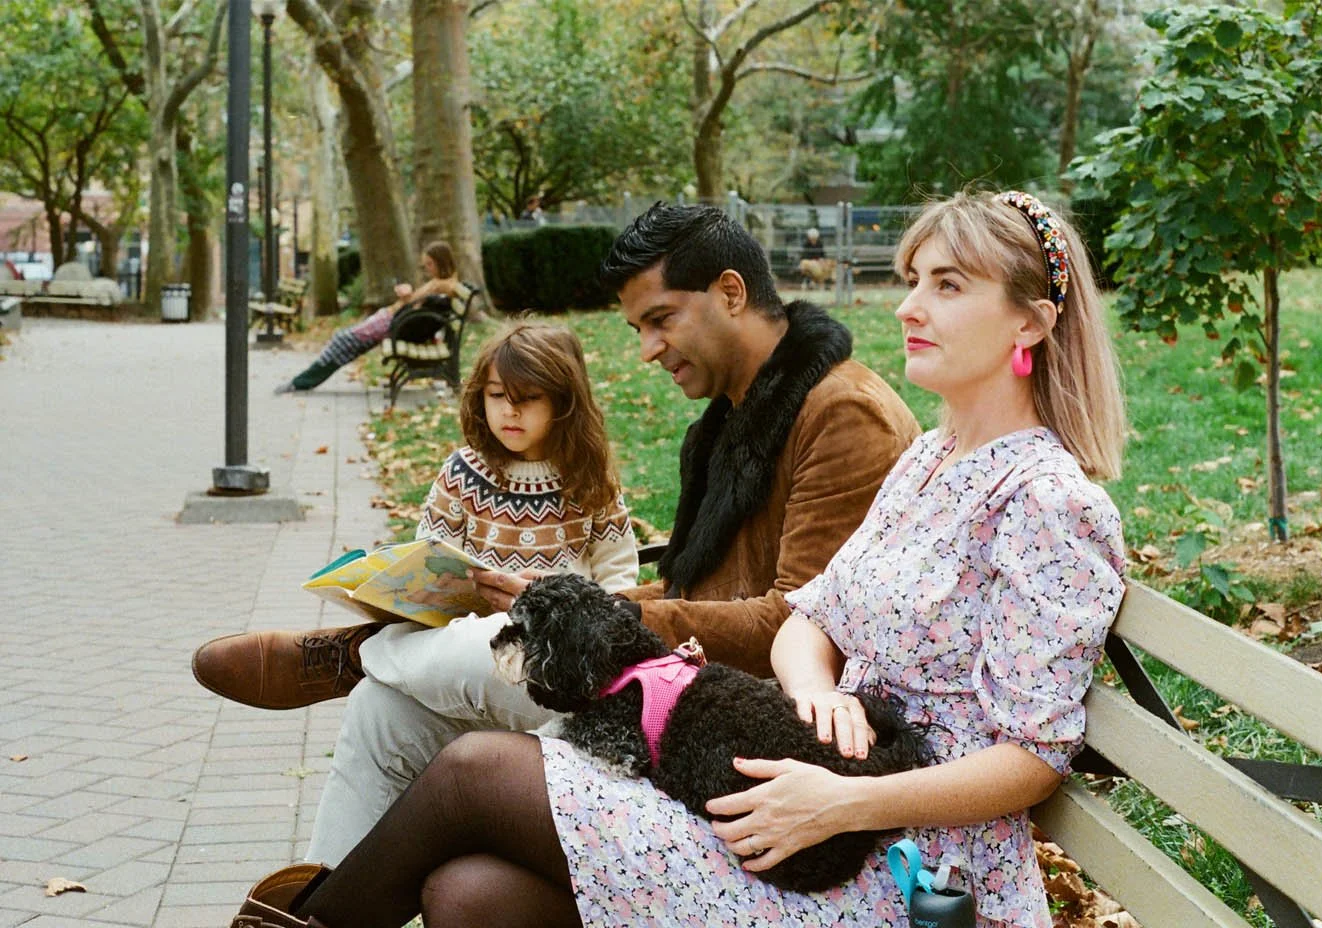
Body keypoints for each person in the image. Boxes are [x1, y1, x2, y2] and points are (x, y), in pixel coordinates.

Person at [224, 190, 1127, 928]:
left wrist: (843, 802)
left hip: (897, 863)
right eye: (911, 279)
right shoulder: (934, 460)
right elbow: (810, 615)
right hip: (803, 782)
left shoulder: (1050, 504)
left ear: (1032, 325)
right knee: (468, 895)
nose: (908, 305)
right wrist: (818, 691)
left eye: (948, 285)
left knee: (471, 775)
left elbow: (1035, 757)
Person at [196, 202, 920, 868]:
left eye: (660, 319)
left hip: (736, 730)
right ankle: (311, 904)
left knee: (500, 653)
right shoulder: (729, 421)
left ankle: (354, 655)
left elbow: (800, 623)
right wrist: (554, 596)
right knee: (384, 714)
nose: (644, 349)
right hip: (673, 689)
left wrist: (600, 618)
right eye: (637, 327)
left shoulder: (842, 417)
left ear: (731, 292)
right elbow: (690, 592)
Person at [274, 241, 468, 394]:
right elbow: (416, 302)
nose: (427, 268)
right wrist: (408, 296)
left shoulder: (443, 285)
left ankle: (301, 382)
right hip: (392, 318)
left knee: (342, 342)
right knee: (341, 341)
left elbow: (420, 302)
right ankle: (301, 381)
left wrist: (411, 296)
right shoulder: (439, 283)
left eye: (430, 264)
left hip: (393, 323)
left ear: (442, 262)